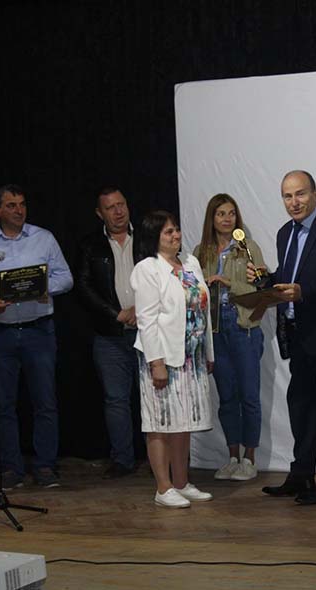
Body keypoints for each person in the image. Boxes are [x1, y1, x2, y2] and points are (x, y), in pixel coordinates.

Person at [250, 170, 316, 506]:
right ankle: (302, 475)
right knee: (302, 410)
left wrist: (304, 292)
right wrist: (267, 280)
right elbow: (290, 278)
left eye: (300, 194)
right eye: (287, 196)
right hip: (298, 338)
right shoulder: (285, 233)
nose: (294, 202)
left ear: (315, 194)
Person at [0, 184, 73, 489]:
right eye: (11, 205)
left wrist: (45, 288)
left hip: (39, 330)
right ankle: (10, 468)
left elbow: (66, 277)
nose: (19, 210)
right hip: (0, 332)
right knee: (3, 405)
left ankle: (45, 466)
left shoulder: (43, 238)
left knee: (45, 402)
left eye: (22, 204)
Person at [130, 210, 215, 508]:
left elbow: (203, 309)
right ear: (154, 237)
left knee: (183, 422)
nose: (176, 235)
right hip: (163, 357)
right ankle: (163, 487)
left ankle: (181, 482)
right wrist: (157, 363)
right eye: (168, 232)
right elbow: (147, 320)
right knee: (160, 422)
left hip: (191, 356)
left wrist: (208, 353)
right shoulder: (147, 269)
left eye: (176, 229)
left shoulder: (190, 262)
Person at [193, 194, 266, 482]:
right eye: (221, 213)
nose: (227, 218)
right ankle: (232, 457)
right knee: (227, 397)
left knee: (249, 395)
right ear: (211, 219)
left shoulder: (248, 248)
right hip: (215, 329)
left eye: (231, 213)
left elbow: (260, 288)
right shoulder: (201, 252)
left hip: (242, 325)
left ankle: (250, 459)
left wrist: (227, 282)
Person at [75, 187, 142, 479]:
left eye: (121, 204)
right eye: (111, 207)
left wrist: (143, 308)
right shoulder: (90, 245)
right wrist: (116, 314)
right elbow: (83, 287)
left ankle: (160, 459)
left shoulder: (146, 239)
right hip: (109, 335)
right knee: (116, 400)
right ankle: (123, 460)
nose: (118, 211)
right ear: (99, 213)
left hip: (148, 332)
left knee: (154, 397)